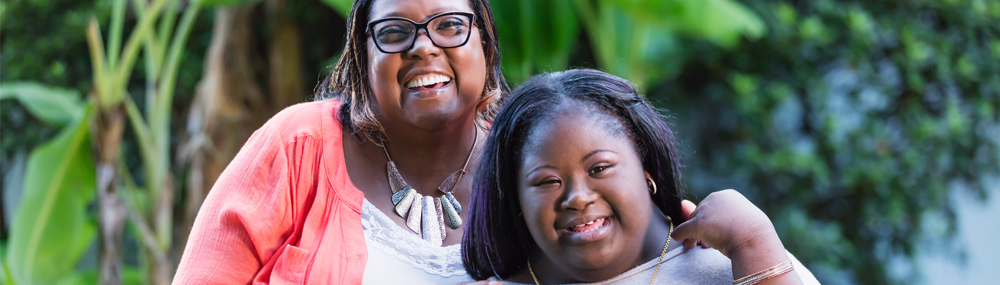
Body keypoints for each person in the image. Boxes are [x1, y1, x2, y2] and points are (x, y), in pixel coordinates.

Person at [173, 0, 508, 283]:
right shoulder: (298, 147)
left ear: (485, 40)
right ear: (364, 56)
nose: (423, 47)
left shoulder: (521, 164)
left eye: (449, 25)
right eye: (393, 32)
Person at [461, 69, 821, 284]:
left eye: (599, 168)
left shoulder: (734, 263)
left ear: (646, 168)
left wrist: (752, 243)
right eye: (546, 181)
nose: (577, 196)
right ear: (516, 199)